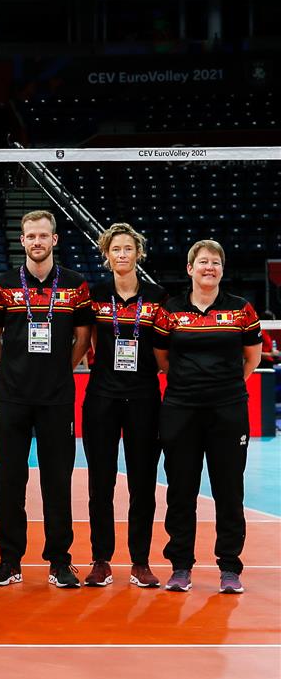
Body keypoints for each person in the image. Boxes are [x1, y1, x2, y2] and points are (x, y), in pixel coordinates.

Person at [0, 210, 92, 588]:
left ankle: (60, 561)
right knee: (10, 481)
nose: (37, 242)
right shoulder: (2, 285)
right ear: (22, 240)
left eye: (43, 235)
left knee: (57, 482)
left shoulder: (76, 286)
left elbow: (83, 338)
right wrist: (11, 369)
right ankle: (9, 561)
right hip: (13, 397)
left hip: (57, 398)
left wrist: (61, 369)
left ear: (54, 239)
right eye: (31, 236)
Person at [153, 240, 262, 594]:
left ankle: (229, 567)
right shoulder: (171, 310)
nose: (209, 267)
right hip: (181, 409)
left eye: (215, 262)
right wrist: (191, 386)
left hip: (228, 410)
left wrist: (225, 386)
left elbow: (253, 357)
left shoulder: (241, 309)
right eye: (202, 262)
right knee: (181, 491)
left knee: (229, 490)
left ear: (222, 270)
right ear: (190, 269)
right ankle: (180, 566)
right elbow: (162, 359)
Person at [81, 223, 167, 588]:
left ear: (138, 253)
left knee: (142, 484)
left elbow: (163, 350)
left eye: (128, 249)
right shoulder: (95, 295)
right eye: (115, 249)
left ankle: (140, 562)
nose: (122, 255)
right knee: (100, 483)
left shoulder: (157, 296)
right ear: (106, 255)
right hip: (102, 396)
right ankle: (101, 560)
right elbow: (87, 341)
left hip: (144, 397)